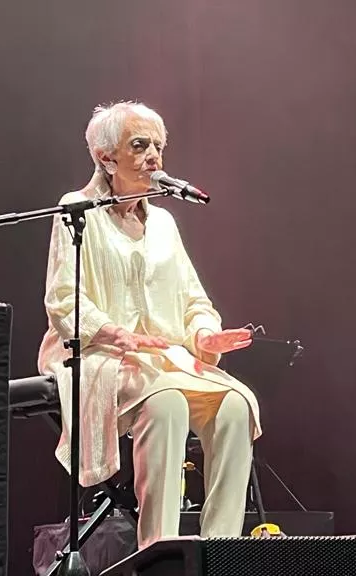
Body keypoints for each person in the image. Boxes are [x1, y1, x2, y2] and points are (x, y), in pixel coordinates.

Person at [37, 101, 261, 550]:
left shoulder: (164, 223)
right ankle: (159, 554)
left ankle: (219, 553)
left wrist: (203, 334)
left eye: (159, 145)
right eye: (139, 145)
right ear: (107, 158)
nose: (154, 156)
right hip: (100, 354)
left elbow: (194, 299)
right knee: (169, 403)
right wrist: (117, 333)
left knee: (236, 404)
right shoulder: (77, 209)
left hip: (163, 359)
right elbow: (64, 299)